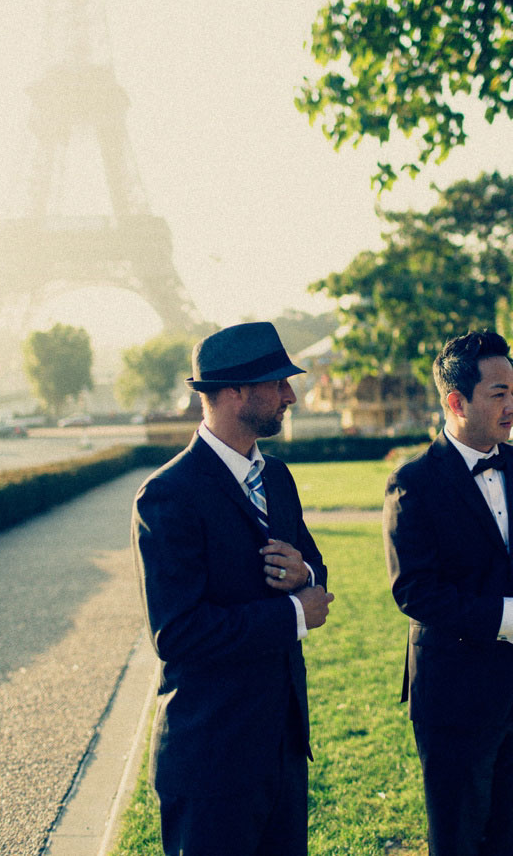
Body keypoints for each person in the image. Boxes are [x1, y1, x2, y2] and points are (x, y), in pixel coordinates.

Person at [132, 321, 334, 856]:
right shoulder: (167, 496)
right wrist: (296, 613)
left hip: (283, 750)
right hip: (211, 762)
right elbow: (176, 634)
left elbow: (311, 566)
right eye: (277, 382)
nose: (291, 394)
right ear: (234, 392)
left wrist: (306, 576)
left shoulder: (280, 478)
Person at [383, 330, 513, 856]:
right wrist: (511, 614)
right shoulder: (413, 483)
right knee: (460, 841)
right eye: (499, 393)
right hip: (454, 697)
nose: (512, 405)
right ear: (456, 400)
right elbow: (415, 592)